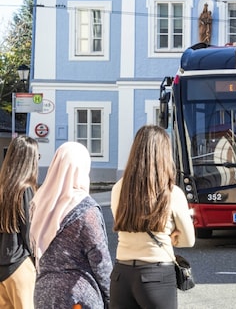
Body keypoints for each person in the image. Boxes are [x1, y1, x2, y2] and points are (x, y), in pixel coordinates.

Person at [110, 125, 195, 309]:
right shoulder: (171, 192)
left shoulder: (118, 188)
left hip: (120, 275)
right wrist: (173, 237)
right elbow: (189, 240)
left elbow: (123, 220)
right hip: (156, 275)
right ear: (164, 154)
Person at [30, 142, 112, 308]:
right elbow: (100, 260)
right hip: (77, 296)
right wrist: (112, 296)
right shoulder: (85, 209)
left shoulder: (39, 202)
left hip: (42, 293)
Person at [0, 136, 39, 309]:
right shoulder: (25, 190)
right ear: (29, 160)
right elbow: (30, 233)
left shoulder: (2, 188)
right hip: (20, 266)